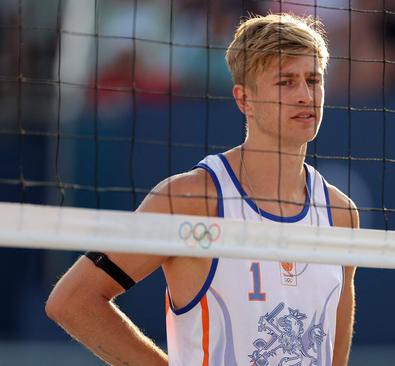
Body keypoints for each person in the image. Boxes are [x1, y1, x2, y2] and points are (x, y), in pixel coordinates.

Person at [45, 13, 358, 366]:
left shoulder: (340, 212)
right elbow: (73, 301)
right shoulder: (191, 199)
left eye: (313, 80)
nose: (305, 95)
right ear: (245, 99)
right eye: (285, 82)